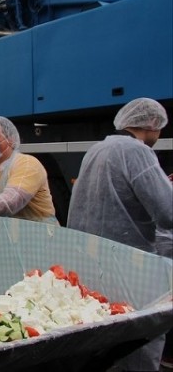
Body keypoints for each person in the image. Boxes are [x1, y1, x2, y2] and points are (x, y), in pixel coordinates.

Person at [66, 97, 171, 372]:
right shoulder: (137, 151)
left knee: (106, 335)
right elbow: (167, 213)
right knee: (141, 335)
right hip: (130, 263)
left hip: (93, 261)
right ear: (151, 124)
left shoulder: (97, 149)